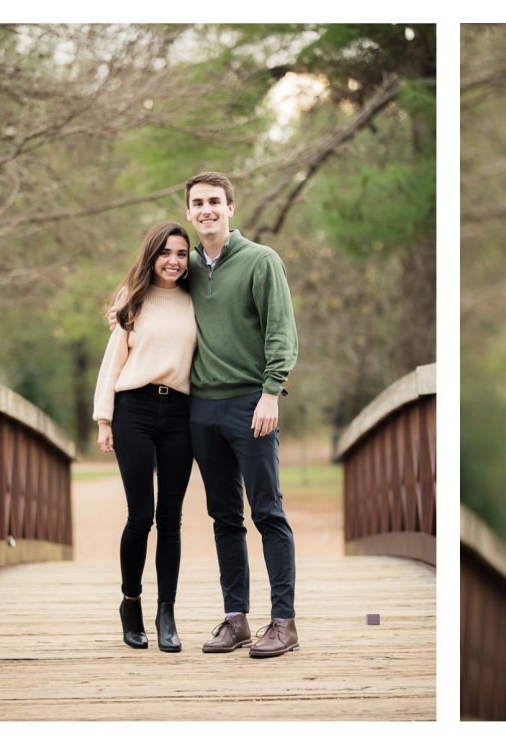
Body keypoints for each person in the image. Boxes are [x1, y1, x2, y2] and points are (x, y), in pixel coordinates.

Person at [181, 171, 299, 658]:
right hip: (201, 408)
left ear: (231, 207)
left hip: (252, 405)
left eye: (214, 201)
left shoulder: (261, 261)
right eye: (197, 203)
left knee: (267, 511)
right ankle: (236, 620)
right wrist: (120, 308)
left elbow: (281, 331)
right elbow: (143, 295)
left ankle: (284, 623)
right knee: (223, 516)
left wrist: (271, 392)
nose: (206, 209)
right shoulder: (182, 265)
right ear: (188, 213)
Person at [93, 221, 196, 652]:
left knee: (170, 517)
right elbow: (112, 361)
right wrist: (104, 419)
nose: (173, 260)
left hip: (180, 412)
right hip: (133, 410)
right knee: (141, 515)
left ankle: (166, 612)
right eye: (166, 252)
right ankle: (130, 603)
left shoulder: (196, 301)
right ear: (152, 255)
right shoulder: (132, 300)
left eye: (181, 253)